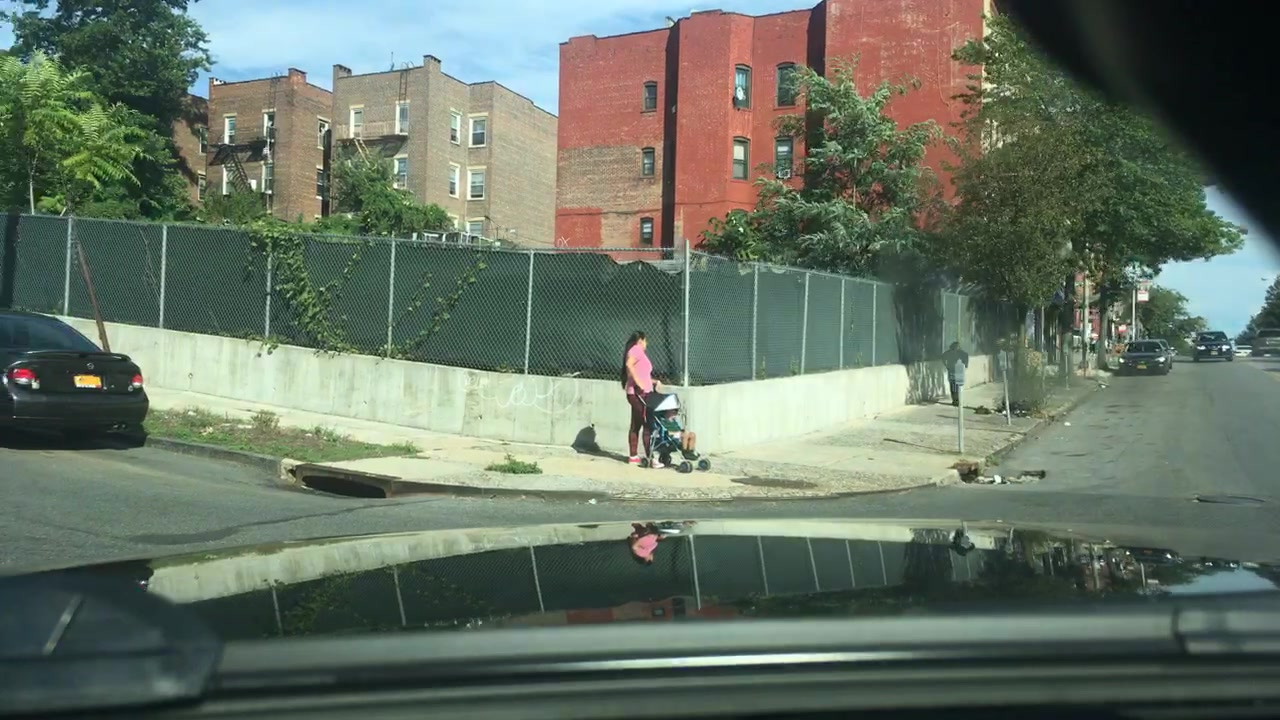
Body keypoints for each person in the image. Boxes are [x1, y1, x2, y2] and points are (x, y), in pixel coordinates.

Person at [621, 331, 663, 466]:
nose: (647, 344)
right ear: (641, 340)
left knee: (636, 423)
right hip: (638, 394)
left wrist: (653, 382)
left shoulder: (637, 352)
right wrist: (639, 383)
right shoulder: (637, 350)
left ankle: (633, 456)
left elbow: (642, 374)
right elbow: (629, 365)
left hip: (643, 393)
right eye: (646, 341)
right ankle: (651, 457)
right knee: (647, 423)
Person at [941, 341, 969, 407]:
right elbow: (943, 357)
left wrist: (965, 364)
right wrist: (965, 364)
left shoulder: (958, 352)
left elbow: (966, 356)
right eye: (956, 346)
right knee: (954, 386)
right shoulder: (953, 352)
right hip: (953, 371)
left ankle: (956, 400)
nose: (957, 348)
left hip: (956, 371)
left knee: (955, 386)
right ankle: (955, 400)